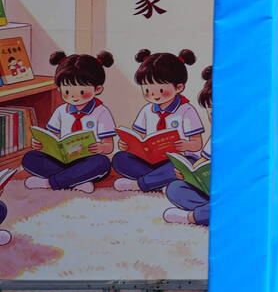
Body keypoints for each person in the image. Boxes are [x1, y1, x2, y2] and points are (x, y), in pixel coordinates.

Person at [24, 51, 116, 193]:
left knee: (102, 163)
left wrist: (101, 148)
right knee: (30, 158)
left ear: (97, 89)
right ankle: (75, 181)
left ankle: (51, 182)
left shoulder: (101, 112)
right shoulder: (61, 111)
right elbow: (50, 137)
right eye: (67, 92)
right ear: (59, 89)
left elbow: (109, 146)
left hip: (87, 161)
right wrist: (40, 144)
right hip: (62, 160)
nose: (74, 97)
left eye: (81, 92)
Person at [114, 49, 204, 193]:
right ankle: (158, 182)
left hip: (177, 160)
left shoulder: (186, 110)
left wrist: (185, 145)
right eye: (148, 90)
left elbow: (197, 143)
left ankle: (141, 184)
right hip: (151, 161)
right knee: (120, 159)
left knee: (184, 165)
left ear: (179, 87)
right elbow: (138, 137)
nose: (154, 95)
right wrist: (127, 145)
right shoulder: (147, 110)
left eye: (161, 90)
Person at [163, 67, 213, 225]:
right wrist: (189, 174)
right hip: (211, 191)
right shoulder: (216, 137)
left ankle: (193, 217)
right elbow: (203, 161)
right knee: (175, 188)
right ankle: (212, 211)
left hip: (235, 194)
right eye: (211, 110)